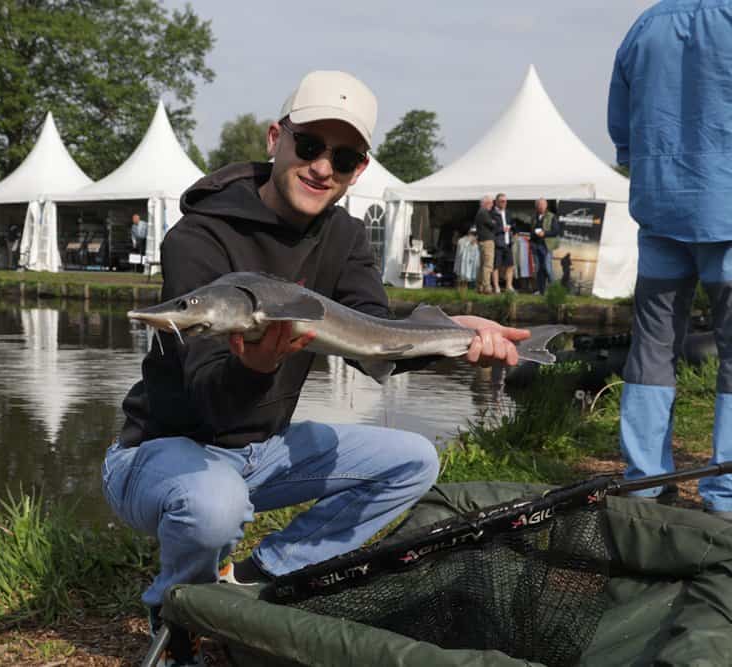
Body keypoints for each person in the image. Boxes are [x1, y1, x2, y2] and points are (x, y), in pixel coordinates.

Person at [102, 70, 530, 665]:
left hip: (264, 449)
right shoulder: (198, 237)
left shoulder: (346, 236)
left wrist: (450, 336)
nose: (323, 168)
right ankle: (179, 614)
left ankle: (258, 578)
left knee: (413, 461)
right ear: (277, 137)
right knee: (213, 504)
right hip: (164, 451)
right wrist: (253, 366)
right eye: (309, 146)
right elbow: (210, 401)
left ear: (359, 170)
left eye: (345, 157)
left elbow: (375, 339)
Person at [609, 1, 732, 519]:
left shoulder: (646, 24)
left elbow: (623, 131)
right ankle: (725, 494)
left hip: (659, 205)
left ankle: (645, 484)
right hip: (726, 206)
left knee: (653, 347)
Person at [530, 198, 558, 295]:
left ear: (546, 206)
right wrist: (533, 235)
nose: (540, 206)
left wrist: (544, 233)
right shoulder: (534, 217)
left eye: (542, 204)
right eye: (539, 205)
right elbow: (531, 230)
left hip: (546, 245)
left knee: (547, 267)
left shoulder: (552, 216)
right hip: (536, 245)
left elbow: (555, 231)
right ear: (536, 206)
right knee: (538, 269)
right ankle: (541, 291)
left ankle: (554, 290)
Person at [492, 193, 514, 293]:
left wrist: (513, 229)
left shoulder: (508, 212)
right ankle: (496, 287)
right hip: (498, 243)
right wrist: (502, 229)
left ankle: (509, 286)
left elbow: (512, 223)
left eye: (505, 201)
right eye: (502, 201)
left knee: (510, 265)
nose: (504, 203)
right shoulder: (492, 213)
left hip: (508, 242)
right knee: (496, 266)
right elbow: (491, 228)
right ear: (496, 202)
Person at [474, 195, 496, 293]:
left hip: (482, 240)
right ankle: (486, 286)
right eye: (491, 203)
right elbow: (492, 224)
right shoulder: (484, 213)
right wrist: (493, 222)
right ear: (487, 203)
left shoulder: (479, 212)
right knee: (488, 265)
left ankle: (479, 286)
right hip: (487, 241)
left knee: (482, 265)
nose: (492, 206)